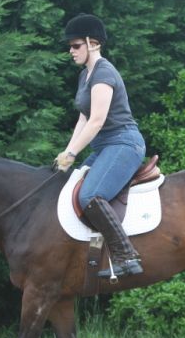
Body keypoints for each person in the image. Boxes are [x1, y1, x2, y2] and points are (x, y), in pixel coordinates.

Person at [54, 14, 146, 278]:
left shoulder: (104, 72)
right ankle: (95, 257)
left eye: (76, 46)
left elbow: (96, 120)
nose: (71, 51)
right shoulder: (85, 75)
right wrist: (66, 152)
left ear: (92, 43)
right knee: (72, 187)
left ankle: (127, 256)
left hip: (123, 142)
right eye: (70, 46)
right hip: (104, 147)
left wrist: (73, 153)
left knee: (89, 196)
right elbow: (83, 118)